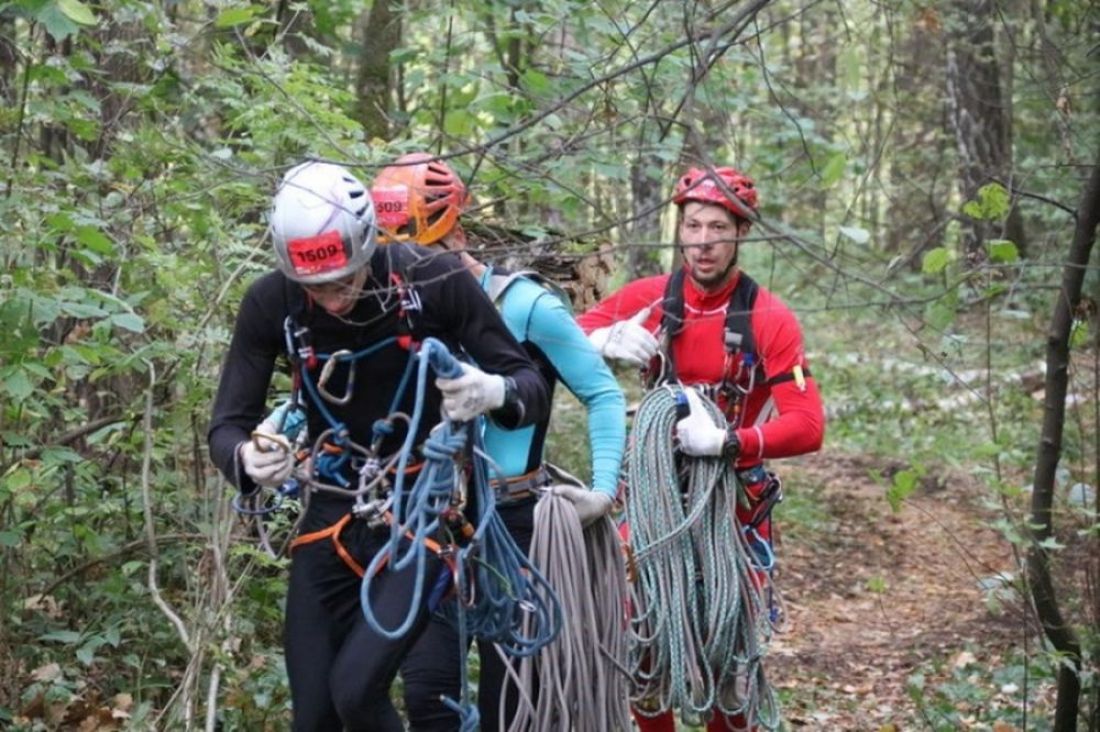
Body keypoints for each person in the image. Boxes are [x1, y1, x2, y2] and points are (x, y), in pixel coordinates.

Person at [207, 160, 551, 732]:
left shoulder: (431, 278)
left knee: (356, 690)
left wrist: (490, 390)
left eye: (343, 281)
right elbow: (226, 424)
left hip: (420, 513)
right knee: (314, 717)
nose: (332, 298)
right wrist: (246, 458)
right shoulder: (274, 304)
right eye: (314, 287)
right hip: (330, 514)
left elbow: (529, 386)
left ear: (367, 245)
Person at [370, 152, 627, 731]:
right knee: (429, 696)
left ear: (457, 233)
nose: (406, 270)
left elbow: (602, 394)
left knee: (511, 702)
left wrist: (604, 491)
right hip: (428, 520)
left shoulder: (526, 306)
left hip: (514, 525)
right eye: (392, 256)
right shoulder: (393, 313)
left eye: (420, 254)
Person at [577, 164, 825, 732]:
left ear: (741, 234)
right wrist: (599, 340)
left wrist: (730, 441)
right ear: (679, 230)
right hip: (653, 498)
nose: (704, 241)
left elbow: (808, 425)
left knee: (728, 652)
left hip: (732, 504)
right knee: (642, 635)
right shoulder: (648, 299)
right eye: (693, 226)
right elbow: (548, 342)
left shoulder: (770, 318)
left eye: (718, 227)